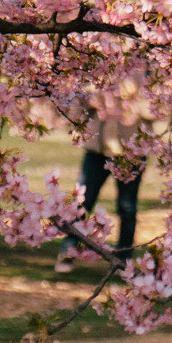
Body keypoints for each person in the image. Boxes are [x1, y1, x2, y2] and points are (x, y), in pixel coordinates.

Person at [57, 113, 138, 272]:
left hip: (131, 149)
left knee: (127, 207)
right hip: (97, 148)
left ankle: (124, 258)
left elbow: (156, 110)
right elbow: (78, 107)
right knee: (82, 200)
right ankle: (69, 249)